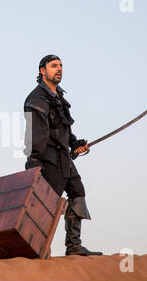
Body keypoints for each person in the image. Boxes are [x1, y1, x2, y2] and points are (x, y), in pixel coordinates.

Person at [23, 54, 103, 256]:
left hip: (63, 158)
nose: (59, 69)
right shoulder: (36, 99)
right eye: (53, 66)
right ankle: (34, 248)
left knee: (78, 192)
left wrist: (75, 144)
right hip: (48, 159)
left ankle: (73, 246)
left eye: (60, 66)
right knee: (46, 206)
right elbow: (35, 135)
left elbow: (63, 129)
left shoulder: (58, 96)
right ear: (42, 71)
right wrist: (34, 165)